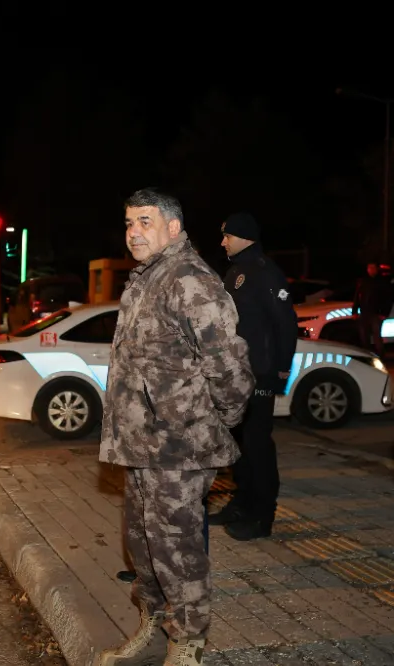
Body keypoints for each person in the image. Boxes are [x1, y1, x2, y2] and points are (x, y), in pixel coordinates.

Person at [98, 189, 254, 666]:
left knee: (178, 551)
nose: (132, 231)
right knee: (143, 548)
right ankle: (153, 624)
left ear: (172, 227)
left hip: (179, 447)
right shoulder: (148, 279)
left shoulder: (189, 280)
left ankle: (188, 643)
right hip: (142, 444)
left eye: (144, 221)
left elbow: (229, 367)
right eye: (128, 222)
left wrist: (213, 422)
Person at [211, 213, 298, 541]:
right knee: (238, 445)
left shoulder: (265, 272)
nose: (223, 242)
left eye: (227, 236)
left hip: (259, 373)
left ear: (245, 237)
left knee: (258, 446)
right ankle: (243, 503)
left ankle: (263, 516)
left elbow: (285, 325)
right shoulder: (235, 271)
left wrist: (280, 371)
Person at [352, 263, 392, 357]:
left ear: (376, 269)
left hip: (376, 314)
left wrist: (384, 313)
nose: (371, 270)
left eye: (373, 268)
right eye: (369, 268)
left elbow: (388, 299)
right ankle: (367, 355)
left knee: (376, 336)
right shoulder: (363, 281)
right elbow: (357, 297)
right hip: (364, 313)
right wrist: (354, 311)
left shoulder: (382, 282)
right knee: (364, 336)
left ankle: (381, 356)